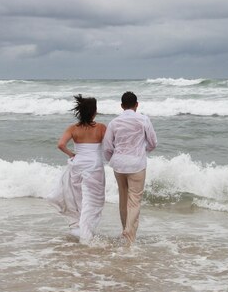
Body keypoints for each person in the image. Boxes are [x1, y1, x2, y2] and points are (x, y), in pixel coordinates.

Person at [47, 95, 107, 241]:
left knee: (78, 198)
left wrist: (72, 154)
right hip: (94, 166)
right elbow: (109, 146)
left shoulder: (73, 128)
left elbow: (61, 144)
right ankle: (87, 232)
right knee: (93, 199)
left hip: (78, 164)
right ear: (94, 111)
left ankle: (80, 228)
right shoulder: (101, 128)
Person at [103, 91, 157, 244]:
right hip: (137, 164)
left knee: (123, 198)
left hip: (118, 165)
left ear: (121, 106)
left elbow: (107, 147)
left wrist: (113, 160)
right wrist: (142, 150)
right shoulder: (143, 120)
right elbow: (153, 142)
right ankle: (128, 230)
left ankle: (127, 235)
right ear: (136, 105)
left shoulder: (114, 122)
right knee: (134, 201)